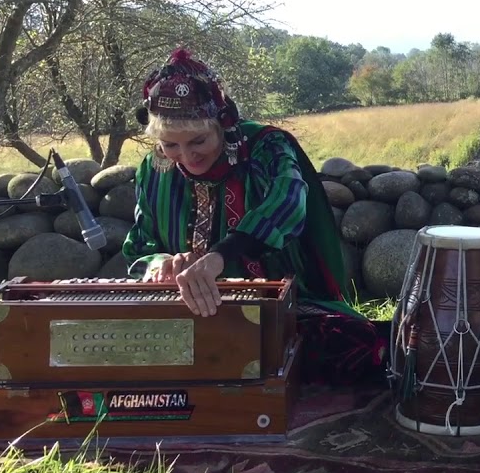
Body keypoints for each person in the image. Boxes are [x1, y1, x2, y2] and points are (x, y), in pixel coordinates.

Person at [123, 48, 385, 385]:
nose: (186, 157)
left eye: (198, 141)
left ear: (222, 123)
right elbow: (140, 248)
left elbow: (288, 202)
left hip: (275, 313)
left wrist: (221, 255)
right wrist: (161, 264)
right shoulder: (153, 170)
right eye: (170, 145)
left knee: (359, 346)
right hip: (182, 318)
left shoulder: (266, 148)